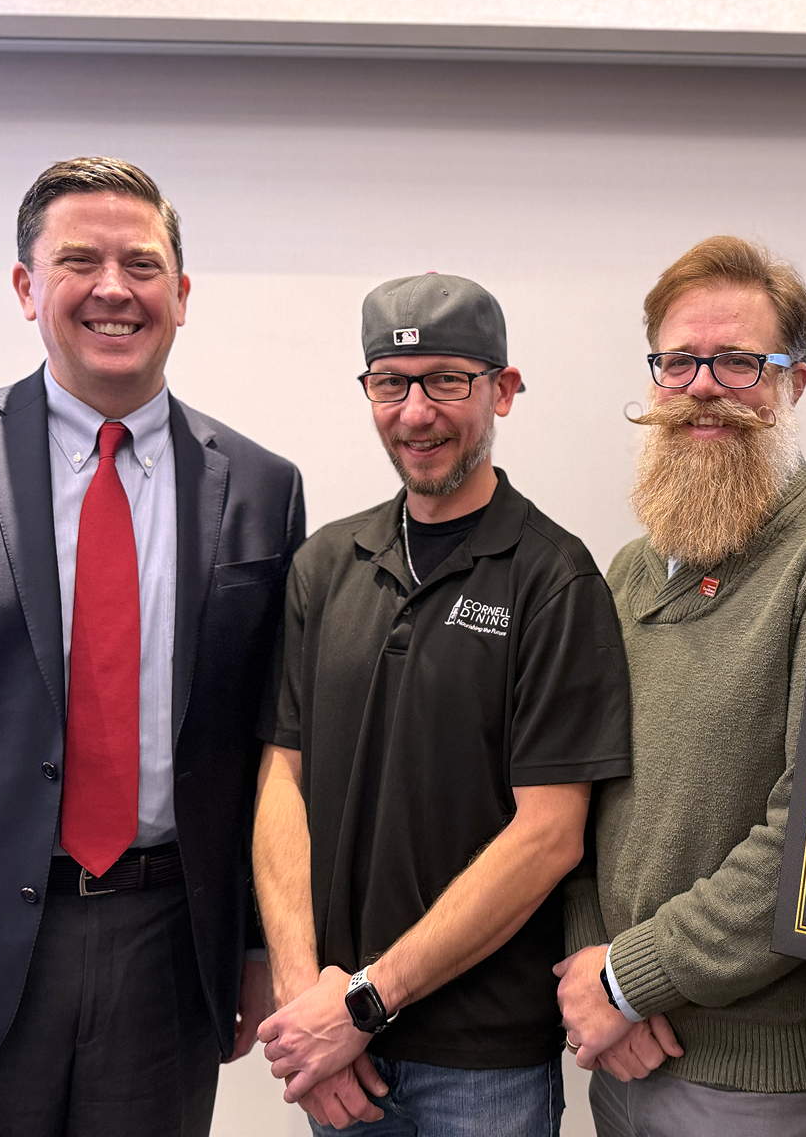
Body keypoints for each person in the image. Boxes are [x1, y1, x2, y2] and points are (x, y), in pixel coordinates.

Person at [0, 156, 304, 1137]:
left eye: (142, 264)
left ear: (182, 294)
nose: (114, 288)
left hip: (165, 955)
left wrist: (256, 947)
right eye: (79, 261)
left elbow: (262, 746)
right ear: (26, 287)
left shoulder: (261, 486)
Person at [555, 236, 806, 1135]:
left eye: (737, 362)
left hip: (771, 1083)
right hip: (623, 1052)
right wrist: (590, 965)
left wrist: (625, 978)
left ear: (793, 382)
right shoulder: (630, 570)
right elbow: (583, 790)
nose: (703, 388)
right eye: (679, 362)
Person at [251, 272, 632, 1135]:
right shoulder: (324, 567)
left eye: (447, 380)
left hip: (480, 1066)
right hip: (334, 1048)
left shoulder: (553, 580)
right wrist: (304, 998)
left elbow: (549, 835)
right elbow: (282, 777)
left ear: (504, 389)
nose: (416, 412)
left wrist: (364, 1001)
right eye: (391, 383)